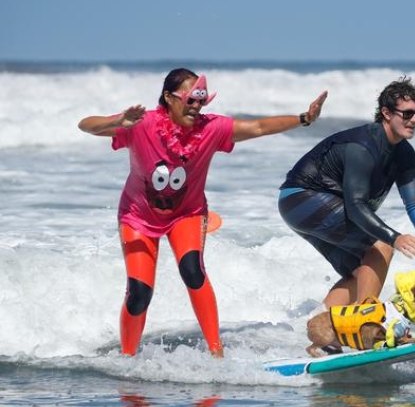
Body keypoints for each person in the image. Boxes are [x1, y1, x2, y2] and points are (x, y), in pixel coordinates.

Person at [79, 68, 327, 357]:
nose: (196, 107)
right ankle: (127, 357)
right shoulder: (141, 124)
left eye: (201, 101)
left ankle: (216, 352)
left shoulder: (212, 128)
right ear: (169, 98)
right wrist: (118, 121)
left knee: (193, 270)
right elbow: (85, 125)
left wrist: (304, 119)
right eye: (190, 100)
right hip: (138, 216)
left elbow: (258, 127)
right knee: (138, 293)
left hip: (188, 214)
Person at [279, 76, 415, 320]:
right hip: (303, 199)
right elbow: (356, 205)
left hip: (300, 206)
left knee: (361, 272)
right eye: (407, 113)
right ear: (386, 112)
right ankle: (367, 323)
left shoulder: (404, 153)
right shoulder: (363, 147)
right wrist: (394, 238)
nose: (414, 120)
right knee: (380, 247)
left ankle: (322, 329)